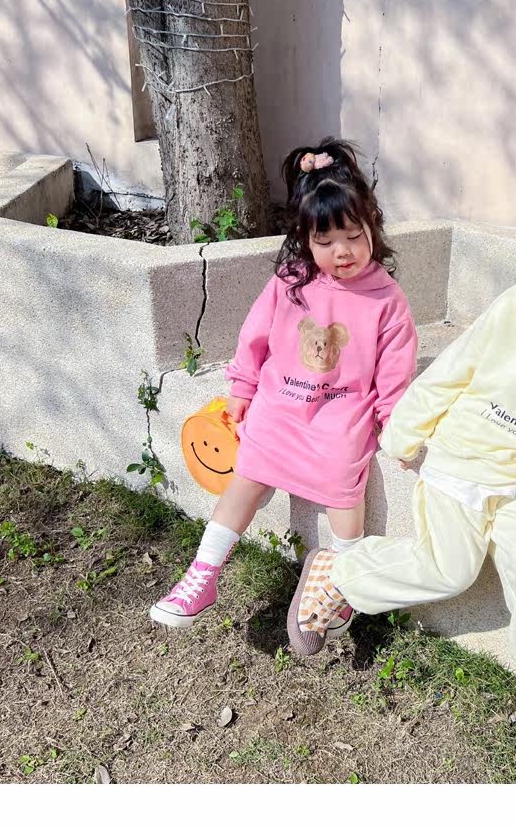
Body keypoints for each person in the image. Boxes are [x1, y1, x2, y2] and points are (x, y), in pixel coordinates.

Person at [285, 151, 516, 777]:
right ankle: (337, 573)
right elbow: (455, 369)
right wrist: (404, 433)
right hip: (463, 458)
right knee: (448, 569)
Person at [151, 138, 418, 637]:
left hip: (340, 413)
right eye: (325, 241)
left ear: (373, 227)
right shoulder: (291, 281)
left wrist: (395, 426)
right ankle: (203, 573)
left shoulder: (386, 299)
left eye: (353, 236)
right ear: (304, 239)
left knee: (345, 478)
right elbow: (254, 336)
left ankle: (342, 580)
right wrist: (242, 388)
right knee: (248, 473)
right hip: (279, 406)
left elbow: (395, 371)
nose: (342, 251)